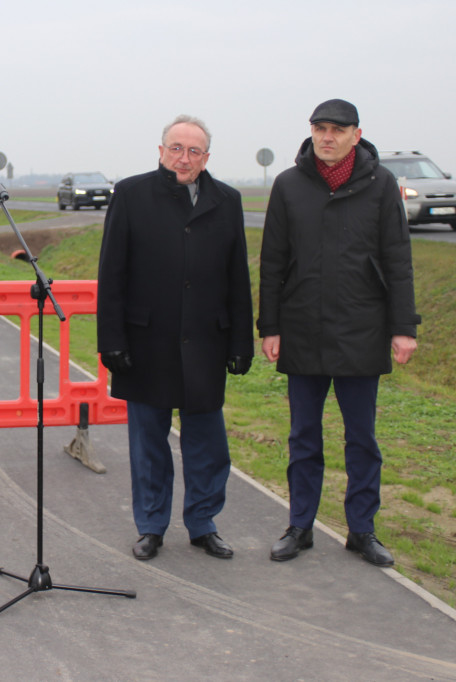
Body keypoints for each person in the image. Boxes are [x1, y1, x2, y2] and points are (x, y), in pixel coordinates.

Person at [257, 99, 420, 567]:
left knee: (362, 438)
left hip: (361, 330)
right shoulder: (289, 185)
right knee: (304, 436)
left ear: (356, 134)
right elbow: (272, 262)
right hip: (302, 328)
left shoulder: (381, 184)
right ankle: (300, 525)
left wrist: (403, 327)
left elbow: (397, 259)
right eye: (319, 128)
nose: (327, 137)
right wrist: (270, 325)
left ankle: (362, 530)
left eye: (337, 129)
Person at [97, 115, 253, 561]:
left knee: (208, 443)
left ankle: (203, 523)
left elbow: (237, 275)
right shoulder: (131, 194)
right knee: (149, 443)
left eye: (194, 151)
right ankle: (151, 526)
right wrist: (112, 338)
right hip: (146, 342)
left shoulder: (227, 200)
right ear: (161, 150)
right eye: (176, 148)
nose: (184, 158)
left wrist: (240, 340)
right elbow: (112, 272)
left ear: (207, 158)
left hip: (206, 341)